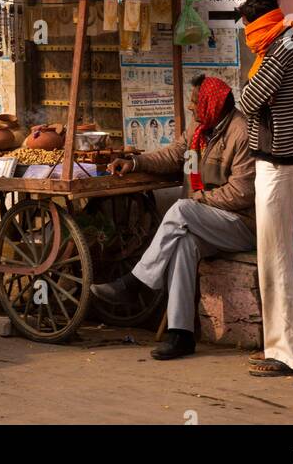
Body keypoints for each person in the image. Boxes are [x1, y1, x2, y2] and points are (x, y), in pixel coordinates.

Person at [90, 75, 256, 360]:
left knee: (182, 209)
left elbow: (241, 193)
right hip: (209, 220)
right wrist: (134, 163)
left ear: (210, 104)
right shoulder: (199, 129)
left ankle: (136, 283)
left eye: (195, 103)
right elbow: (173, 154)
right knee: (183, 246)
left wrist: (198, 202)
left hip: (240, 224)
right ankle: (181, 335)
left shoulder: (241, 132)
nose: (191, 108)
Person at [238, 0, 293, 377]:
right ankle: (280, 347)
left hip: (277, 164)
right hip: (280, 161)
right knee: (274, 256)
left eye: (249, 27)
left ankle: (286, 353)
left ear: (259, 24)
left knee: (275, 258)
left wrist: (244, 91)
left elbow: (249, 101)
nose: (247, 36)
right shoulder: (284, 41)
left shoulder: (279, 48)